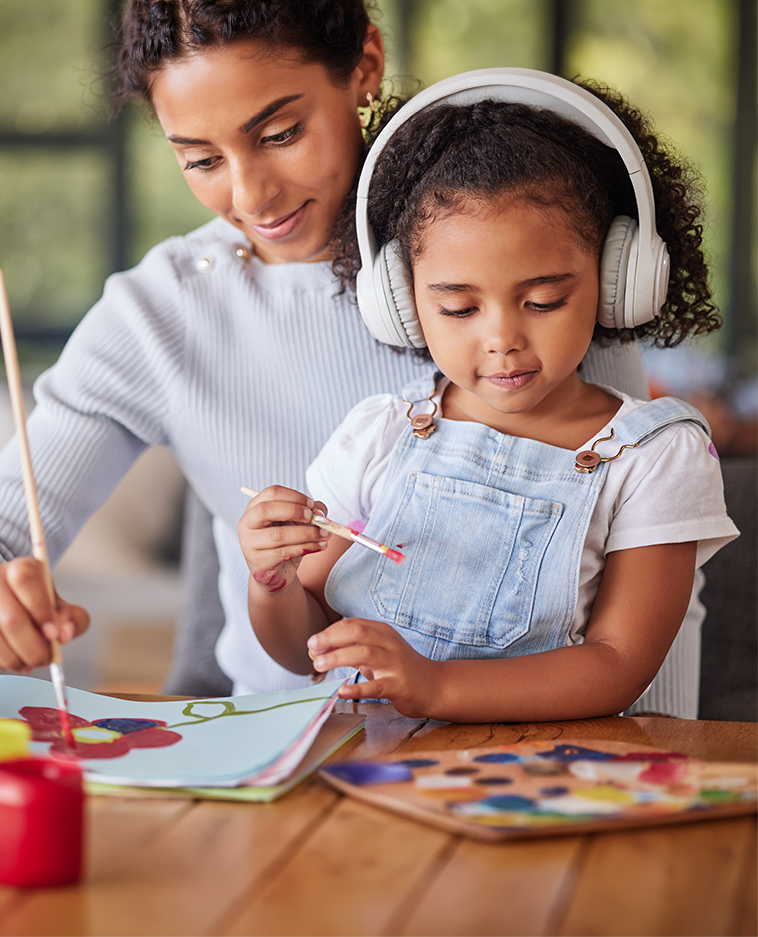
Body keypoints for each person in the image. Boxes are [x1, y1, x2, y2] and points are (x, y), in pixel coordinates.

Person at [0, 0, 658, 703]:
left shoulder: (518, 250)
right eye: (200, 160)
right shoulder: (161, 314)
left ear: (364, 64)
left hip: (567, 739)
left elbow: (650, 576)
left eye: (279, 134)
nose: (252, 196)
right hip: (294, 754)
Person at [238, 70, 738, 721]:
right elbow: (311, 645)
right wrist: (271, 583)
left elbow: (617, 663)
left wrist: (436, 687)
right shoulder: (382, 435)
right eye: (458, 308)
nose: (502, 339)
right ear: (404, 303)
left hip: (551, 787)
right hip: (376, 783)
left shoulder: (655, 456)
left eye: (542, 301)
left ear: (617, 280)